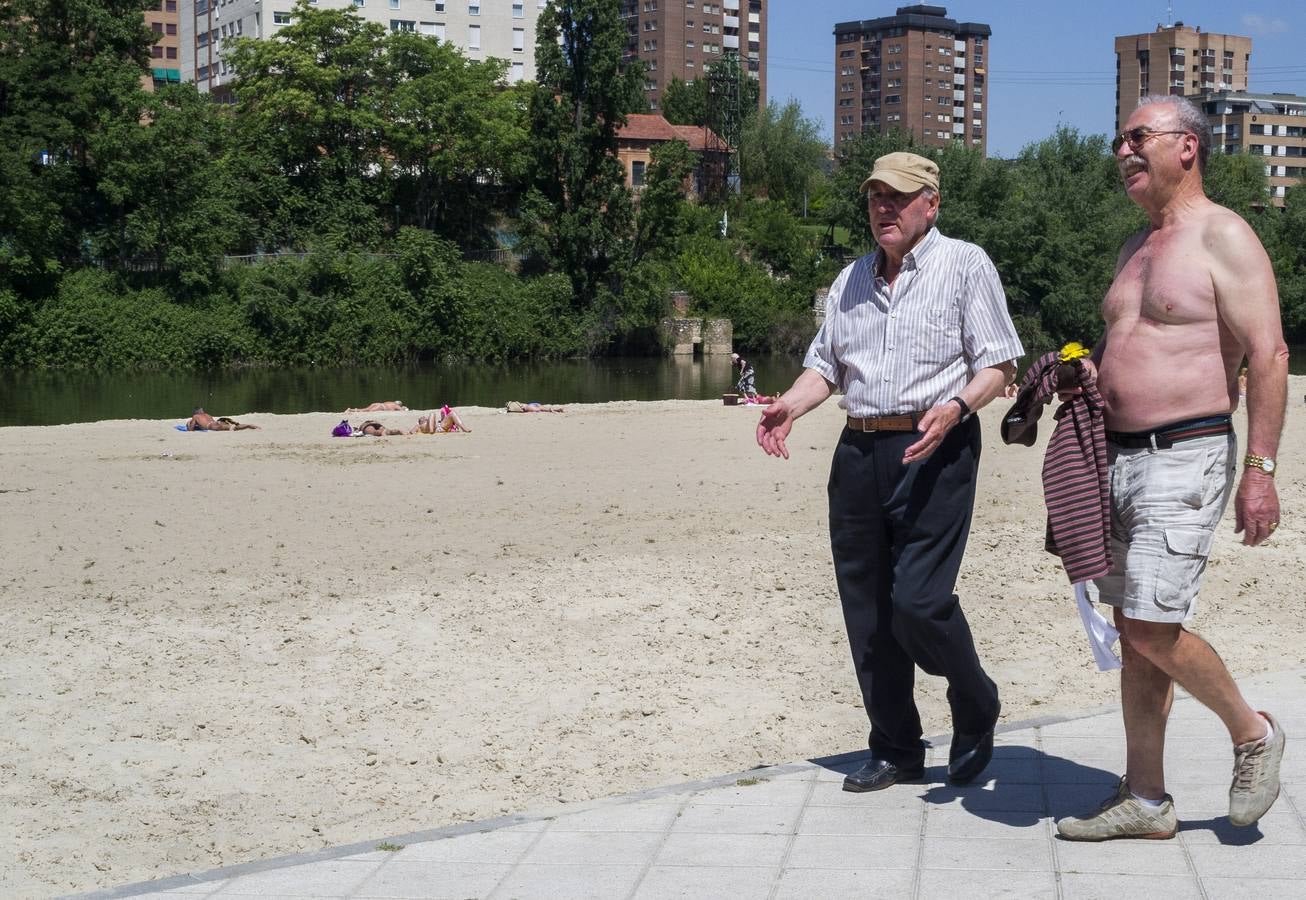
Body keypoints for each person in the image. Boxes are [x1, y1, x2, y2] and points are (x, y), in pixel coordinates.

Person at [1054, 94, 1288, 842]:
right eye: (1118, 138)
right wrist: (1082, 372)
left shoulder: (1225, 235)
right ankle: (1146, 798)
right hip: (1116, 456)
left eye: (1136, 137)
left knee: (1149, 622)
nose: (1122, 151)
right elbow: (1134, 342)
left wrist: (1260, 470)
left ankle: (1252, 732)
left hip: (1186, 452)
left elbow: (1270, 355)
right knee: (1135, 630)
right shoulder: (1134, 249)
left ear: (1186, 146)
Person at [756, 151, 1023, 793]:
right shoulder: (851, 279)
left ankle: (975, 698)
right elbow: (828, 366)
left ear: (931, 204)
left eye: (898, 197)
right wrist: (790, 404)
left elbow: (1000, 364)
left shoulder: (965, 265)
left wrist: (957, 405)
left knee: (919, 602)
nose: (884, 208)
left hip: (939, 447)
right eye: (875, 196)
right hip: (858, 452)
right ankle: (897, 747)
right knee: (868, 610)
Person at [186, 408, 259, 431]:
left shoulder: (195, 416)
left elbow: (191, 430)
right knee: (233, 426)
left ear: (196, 412)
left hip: (212, 426)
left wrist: (188, 423)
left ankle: (248, 425)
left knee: (234, 428)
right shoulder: (207, 415)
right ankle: (249, 425)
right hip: (218, 421)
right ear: (202, 412)